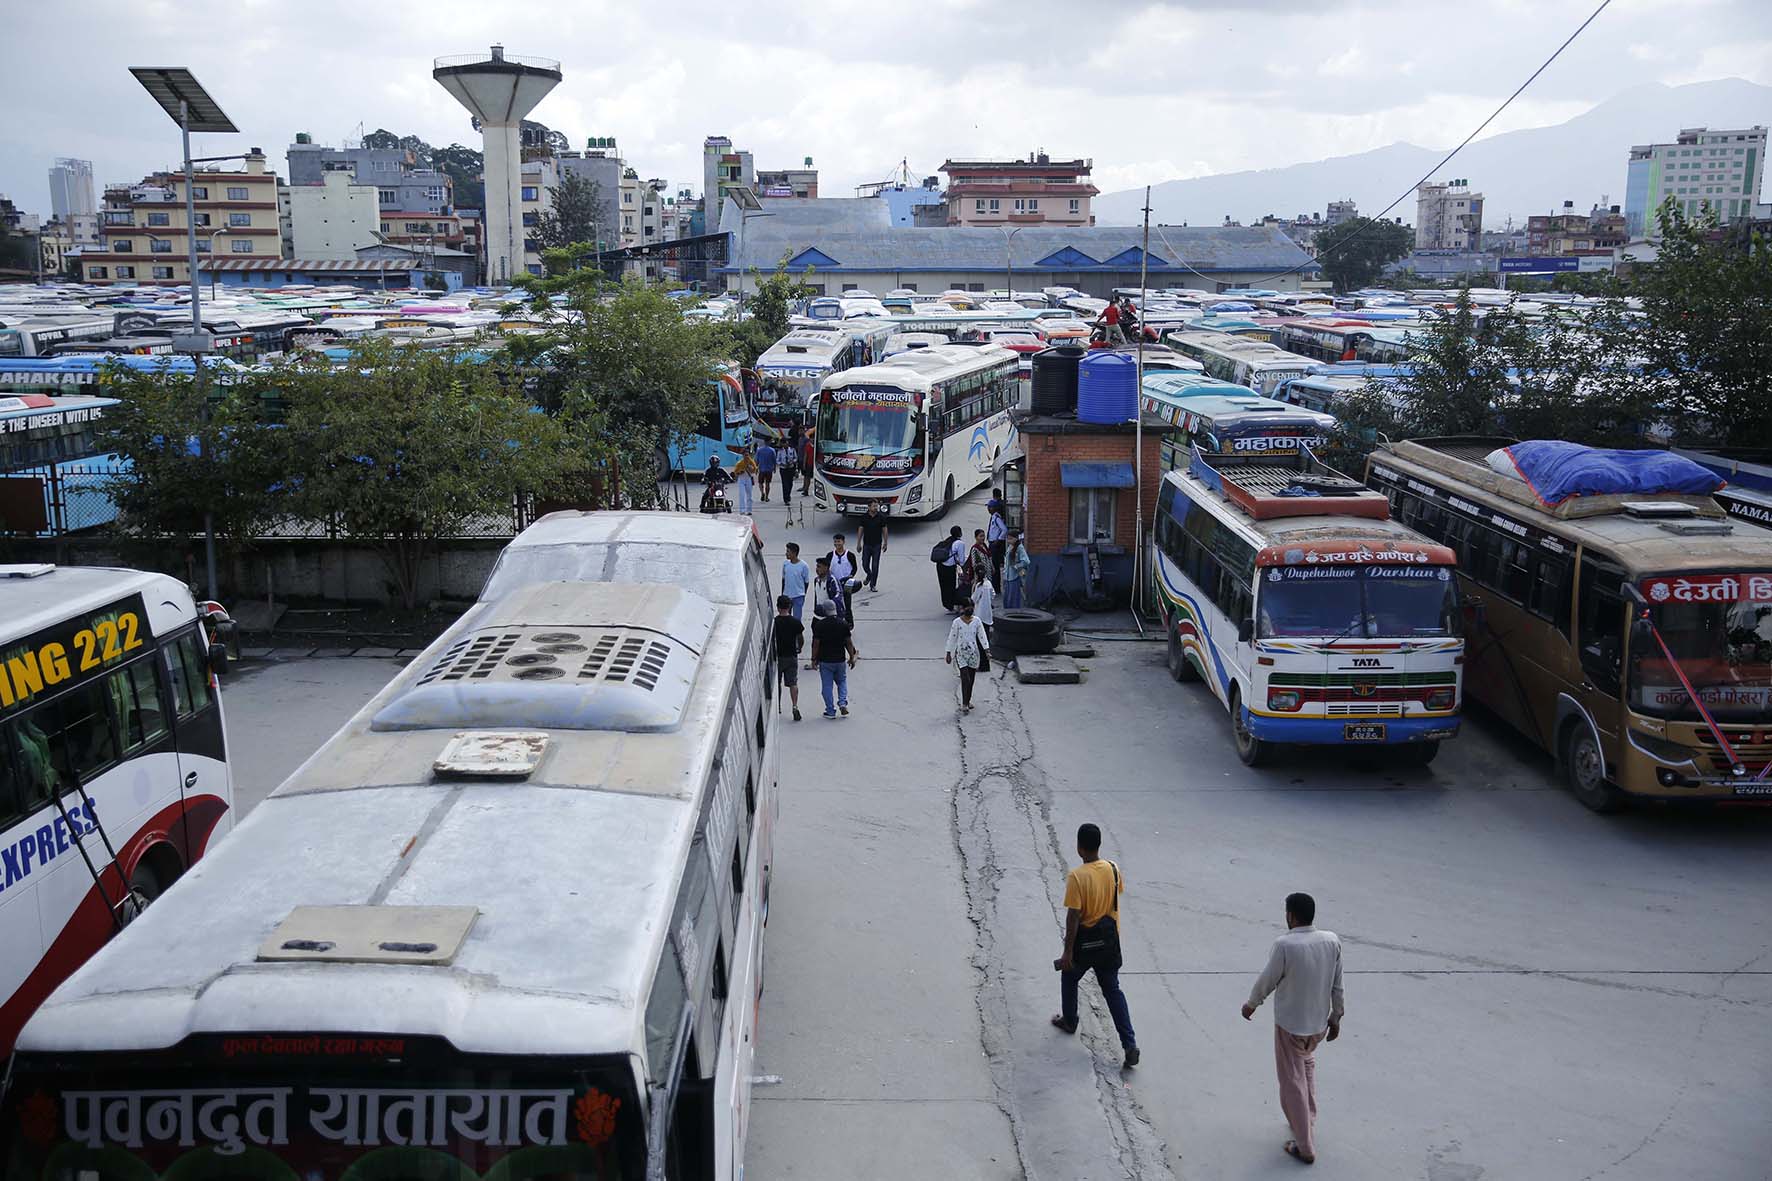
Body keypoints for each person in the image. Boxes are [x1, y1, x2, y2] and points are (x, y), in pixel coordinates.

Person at [1241, 892, 1345, 1166]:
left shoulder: (1285, 945)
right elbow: (1337, 983)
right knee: (1307, 1066)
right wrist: (1337, 1016)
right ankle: (1306, 1120)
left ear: (1290, 915)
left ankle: (1304, 1146)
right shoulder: (1331, 941)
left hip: (1291, 1026)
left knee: (1291, 1082)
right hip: (1318, 1025)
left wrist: (1252, 1003)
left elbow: (1269, 978)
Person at [1052, 823, 1138, 1068]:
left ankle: (1070, 1020)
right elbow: (1114, 897)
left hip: (1085, 945)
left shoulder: (1077, 877)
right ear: (1098, 845)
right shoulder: (1112, 869)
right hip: (1109, 944)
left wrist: (1068, 952)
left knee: (1069, 977)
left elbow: (1073, 917)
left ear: (1079, 848)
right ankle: (1129, 1043)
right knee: (1112, 991)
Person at [810, 600, 857, 719]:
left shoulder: (819, 625)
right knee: (842, 682)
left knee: (827, 686)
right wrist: (851, 657)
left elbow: (816, 644)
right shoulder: (843, 624)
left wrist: (813, 659)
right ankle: (842, 702)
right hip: (840, 660)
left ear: (825, 611)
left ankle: (830, 711)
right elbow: (849, 643)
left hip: (825, 661)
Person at [946, 597, 988, 712]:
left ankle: (968, 700)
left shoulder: (977, 621)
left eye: (971, 607)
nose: (970, 609)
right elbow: (952, 637)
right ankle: (964, 704)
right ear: (962, 609)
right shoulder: (957, 623)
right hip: (961, 654)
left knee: (971, 679)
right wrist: (948, 652)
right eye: (967, 607)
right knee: (965, 678)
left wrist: (987, 650)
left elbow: (982, 636)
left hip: (973, 654)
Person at [773, 594, 804, 721]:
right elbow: (800, 638)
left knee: (777, 683)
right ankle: (795, 706)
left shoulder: (774, 622)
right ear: (790, 606)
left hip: (778, 657)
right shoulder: (795, 622)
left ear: (777, 607)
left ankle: (778, 706)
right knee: (793, 683)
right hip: (791, 656)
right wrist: (799, 647)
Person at [812, 555, 848, 643]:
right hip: (819, 615)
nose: (817, 569)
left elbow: (838, 594)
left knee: (838, 639)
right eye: (816, 566)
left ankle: (852, 651)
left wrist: (829, 605)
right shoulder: (816, 580)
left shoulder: (832, 580)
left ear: (826, 568)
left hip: (830, 615)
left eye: (819, 567)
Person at [858, 503, 888, 591]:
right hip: (867, 545)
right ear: (869, 507)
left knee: (875, 566)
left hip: (877, 545)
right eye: (874, 506)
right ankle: (869, 574)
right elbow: (860, 529)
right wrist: (858, 543)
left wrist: (885, 543)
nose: (876, 508)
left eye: (876, 506)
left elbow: (885, 530)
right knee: (865, 564)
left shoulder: (881, 517)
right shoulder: (864, 517)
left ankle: (873, 585)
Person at [935, 525, 966, 611]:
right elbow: (962, 560)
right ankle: (952, 603)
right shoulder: (960, 543)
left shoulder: (947, 540)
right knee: (951, 586)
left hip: (940, 565)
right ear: (960, 533)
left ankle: (946, 604)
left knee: (944, 586)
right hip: (949, 568)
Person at [781, 542, 811, 622]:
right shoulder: (785, 564)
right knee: (786, 618)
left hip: (798, 596)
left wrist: (803, 593)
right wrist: (783, 594)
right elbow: (783, 579)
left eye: (788, 551)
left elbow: (806, 582)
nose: (786, 553)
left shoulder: (804, 566)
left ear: (794, 553)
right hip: (787, 596)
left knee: (797, 619)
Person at [1002, 528, 1031, 609]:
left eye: (1011, 538)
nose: (1008, 540)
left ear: (1016, 538)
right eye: (1008, 538)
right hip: (1008, 576)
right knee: (1007, 597)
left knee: (1013, 598)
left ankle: (1014, 614)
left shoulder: (1020, 547)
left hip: (1015, 576)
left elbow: (1026, 561)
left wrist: (1016, 566)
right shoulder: (1010, 546)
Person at [986, 501, 1008, 588]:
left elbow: (1004, 530)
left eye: (990, 507)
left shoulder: (997, 518)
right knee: (993, 564)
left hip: (995, 544)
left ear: (994, 508)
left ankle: (996, 586)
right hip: (992, 543)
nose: (988, 509)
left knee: (995, 565)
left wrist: (998, 540)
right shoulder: (993, 517)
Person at [732, 447, 759, 515]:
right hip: (741, 479)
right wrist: (740, 472)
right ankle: (742, 510)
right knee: (742, 494)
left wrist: (751, 468)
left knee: (749, 495)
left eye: (747, 454)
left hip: (748, 479)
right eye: (745, 454)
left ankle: (749, 510)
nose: (746, 456)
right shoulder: (740, 463)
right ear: (743, 455)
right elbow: (735, 472)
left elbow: (755, 470)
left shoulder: (751, 462)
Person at [971, 570, 995, 643]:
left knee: (979, 634)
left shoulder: (979, 586)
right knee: (986, 632)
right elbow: (993, 595)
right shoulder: (989, 583)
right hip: (987, 612)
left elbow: (974, 598)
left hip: (979, 613)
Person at [778, 433, 799, 515]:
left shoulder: (792, 450)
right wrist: (782, 464)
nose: (785, 444)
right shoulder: (780, 451)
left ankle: (788, 494)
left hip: (791, 468)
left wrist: (792, 462)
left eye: (786, 442)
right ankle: (786, 499)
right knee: (785, 483)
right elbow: (778, 460)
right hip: (783, 469)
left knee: (790, 483)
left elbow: (795, 458)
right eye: (784, 443)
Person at [800, 431, 815, 496]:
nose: (813, 439)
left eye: (814, 438)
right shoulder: (808, 445)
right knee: (807, 477)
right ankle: (806, 490)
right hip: (809, 464)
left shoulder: (817, 445)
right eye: (812, 438)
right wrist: (804, 464)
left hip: (815, 464)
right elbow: (805, 455)